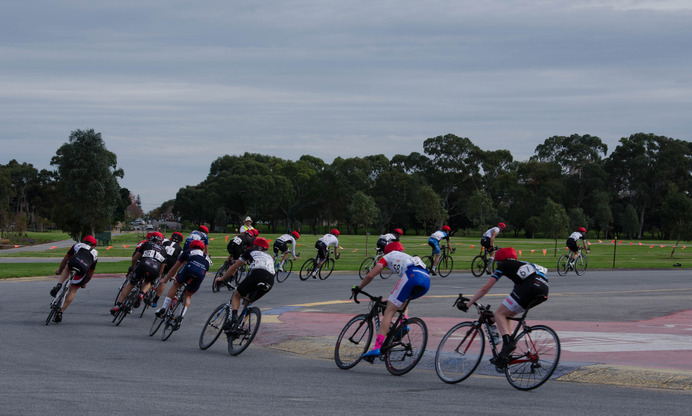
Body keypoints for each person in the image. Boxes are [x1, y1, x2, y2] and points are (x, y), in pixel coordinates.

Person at [462, 247, 549, 370]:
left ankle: (508, 344)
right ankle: (505, 353)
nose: (497, 265)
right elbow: (516, 292)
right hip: (543, 289)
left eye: (497, 263)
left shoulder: (505, 264)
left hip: (530, 286)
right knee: (507, 314)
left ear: (500, 260)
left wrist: (468, 304)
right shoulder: (522, 265)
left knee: (499, 314)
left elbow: (485, 288)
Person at [353, 242, 430, 359]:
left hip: (412, 276)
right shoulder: (407, 257)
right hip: (426, 280)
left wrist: (359, 288)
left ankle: (377, 347)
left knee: (389, 309)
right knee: (401, 299)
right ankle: (404, 322)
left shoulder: (387, 256)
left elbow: (370, 275)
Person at [212, 237, 275, 331]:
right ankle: (240, 326)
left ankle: (234, 317)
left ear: (254, 245)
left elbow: (234, 267)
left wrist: (222, 278)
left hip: (257, 274)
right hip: (270, 279)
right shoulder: (269, 256)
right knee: (248, 301)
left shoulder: (250, 251)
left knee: (236, 295)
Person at [155, 239, 211, 328]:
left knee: (176, 284)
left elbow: (175, 267)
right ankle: (181, 316)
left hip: (190, 268)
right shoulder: (206, 256)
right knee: (188, 295)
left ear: (191, 246)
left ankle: (164, 307)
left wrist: (165, 279)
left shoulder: (188, 251)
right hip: (201, 272)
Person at [111, 232, 167, 315]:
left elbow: (135, 258)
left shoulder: (146, 244)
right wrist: (157, 275)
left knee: (131, 284)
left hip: (143, 264)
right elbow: (161, 269)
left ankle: (118, 305)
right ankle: (141, 294)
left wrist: (133, 267)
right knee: (148, 282)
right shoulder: (164, 251)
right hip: (155, 268)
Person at [50, 235, 99, 323]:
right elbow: (90, 273)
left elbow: (65, 259)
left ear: (84, 241)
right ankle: (60, 312)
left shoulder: (78, 245)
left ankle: (59, 284)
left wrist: (59, 270)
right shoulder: (95, 253)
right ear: (94, 246)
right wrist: (84, 283)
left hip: (74, 262)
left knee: (67, 267)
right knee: (73, 290)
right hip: (83, 268)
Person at [151, 231, 184, 307]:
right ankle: (155, 299)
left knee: (154, 274)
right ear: (180, 242)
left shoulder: (165, 241)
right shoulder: (180, 249)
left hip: (160, 260)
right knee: (164, 281)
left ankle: (148, 288)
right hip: (170, 264)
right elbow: (179, 262)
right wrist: (175, 273)